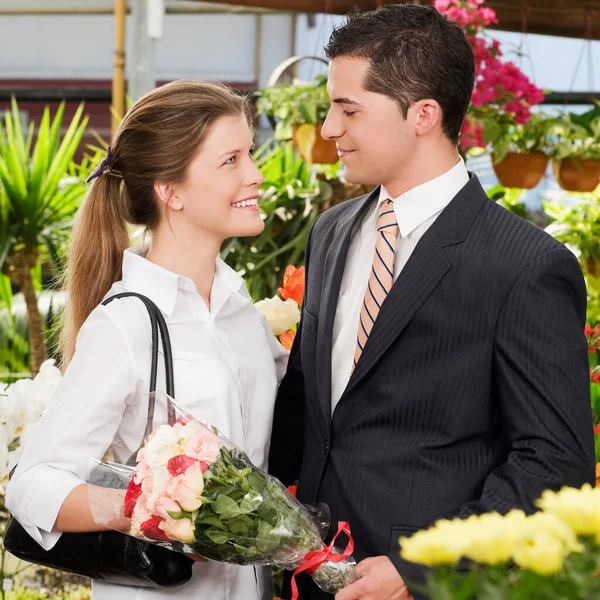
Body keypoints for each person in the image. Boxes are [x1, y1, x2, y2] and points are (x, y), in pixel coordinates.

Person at [268, 5, 595, 600]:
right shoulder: (332, 231)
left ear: (423, 114)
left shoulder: (526, 266)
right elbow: (303, 408)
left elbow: (554, 463)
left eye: (348, 109)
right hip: (305, 575)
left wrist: (419, 570)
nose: (328, 129)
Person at [6, 79, 287, 600]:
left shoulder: (241, 311)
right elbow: (33, 483)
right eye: (231, 161)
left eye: (250, 153)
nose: (255, 175)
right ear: (171, 190)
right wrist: (156, 506)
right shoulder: (125, 325)